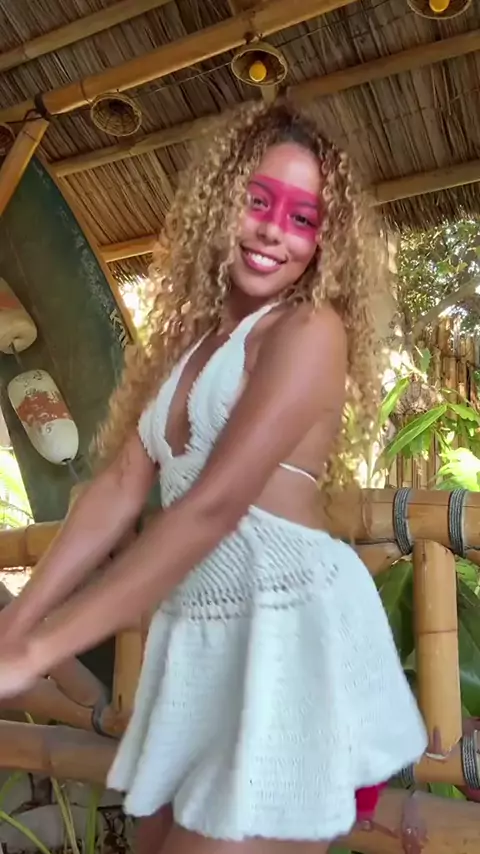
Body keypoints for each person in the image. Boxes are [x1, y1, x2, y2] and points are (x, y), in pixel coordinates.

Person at [0, 100, 427, 854]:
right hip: (204, 633)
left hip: (290, 628)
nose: (273, 230)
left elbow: (214, 506)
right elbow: (116, 491)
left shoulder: (308, 330)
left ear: (325, 239)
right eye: (258, 201)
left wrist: (39, 651)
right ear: (221, 202)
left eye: (302, 217)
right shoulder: (188, 342)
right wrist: (17, 623)